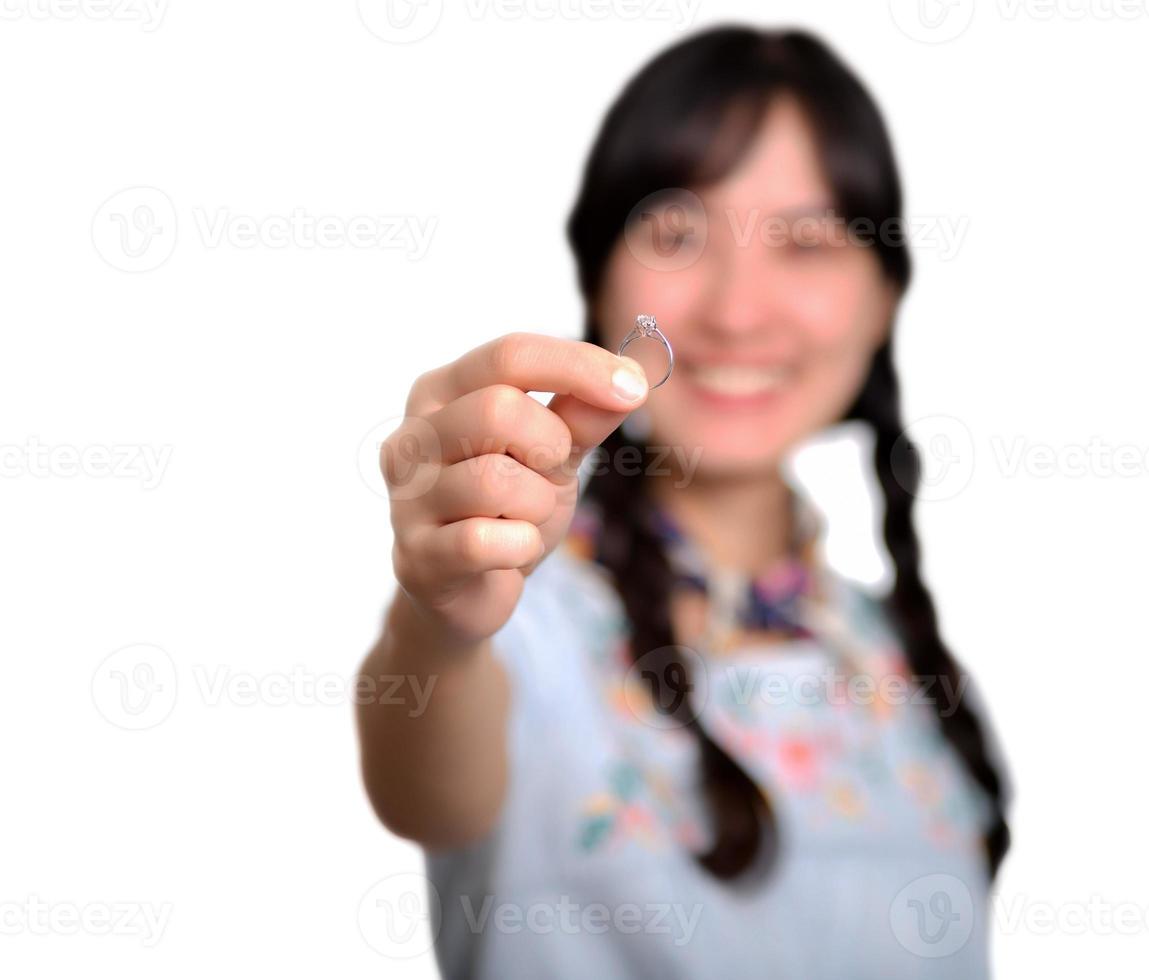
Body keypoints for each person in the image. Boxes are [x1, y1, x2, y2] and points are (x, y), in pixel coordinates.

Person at [355, 24, 1011, 979]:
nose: (737, 308)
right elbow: (425, 786)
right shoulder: (522, 619)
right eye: (675, 232)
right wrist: (439, 624)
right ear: (596, 277)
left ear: (884, 300)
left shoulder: (906, 663)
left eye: (809, 242)